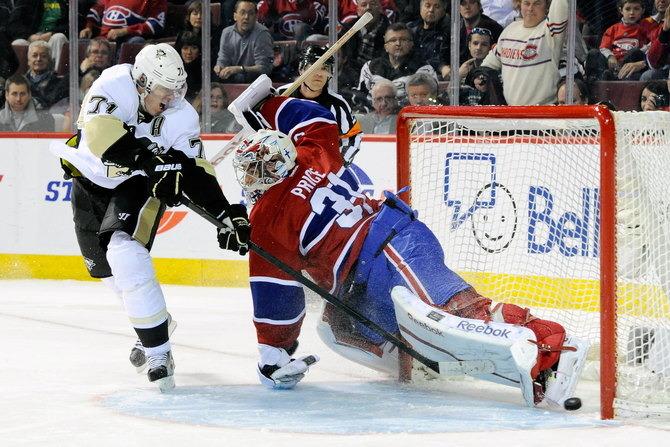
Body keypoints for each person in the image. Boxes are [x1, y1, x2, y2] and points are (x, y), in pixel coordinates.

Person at [225, 80, 589, 408]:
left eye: (256, 170)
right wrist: (267, 104)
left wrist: (275, 351)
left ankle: (556, 347)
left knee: (457, 312)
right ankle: (421, 360)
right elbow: (316, 118)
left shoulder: (267, 220)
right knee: (340, 329)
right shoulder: (314, 150)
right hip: (363, 279)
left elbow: (274, 291)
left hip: (389, 245)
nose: (251, 179)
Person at [49, 43, 250, 391]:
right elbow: (100, 136)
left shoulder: (181, 116)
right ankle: (157, 324)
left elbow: (196, 169)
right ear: (141, 83)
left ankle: (159, 352)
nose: (172, 99)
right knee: (107, 273)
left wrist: (224, 214)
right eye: (164, 92)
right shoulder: (113, 83)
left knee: (124, 252)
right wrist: (152, 161)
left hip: (136, 186)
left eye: (177, 91)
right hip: (89, 179)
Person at [278, 45, 363, 165]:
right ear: (301, 69)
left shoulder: (338, 105)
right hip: (282, 169)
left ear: (330, 73)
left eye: (324, 68)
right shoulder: (280, 96)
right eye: (313, 67)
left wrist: (338, 164)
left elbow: (353, 138)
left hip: (317, 173)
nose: (319, 73)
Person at [481, 0, 569, 105]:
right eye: (526, 3)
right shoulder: (509, 30)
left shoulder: (549, 31)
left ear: (547, 7)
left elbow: (560, 6)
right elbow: (489, 64)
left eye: (537, 3)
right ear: (519, 5)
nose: (530, 8)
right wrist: (480, 76)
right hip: (511, 113)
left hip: (543, 112)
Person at [358, 23, 438, 107]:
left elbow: (428, 100)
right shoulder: (370, 67)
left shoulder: (424, 70)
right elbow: (362, 96)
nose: (398, 44)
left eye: (403, 39)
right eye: (393, 40)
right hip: (375, 116)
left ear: (411, 44)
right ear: (386, 46)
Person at [585, 0, 654, 81]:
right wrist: (610, 56)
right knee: (593, 53)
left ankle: (618, 75)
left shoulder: (644, 29)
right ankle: (599, 78)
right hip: (613, 64)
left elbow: (652, 44)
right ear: (621, 10)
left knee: (635, 52)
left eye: (636, 9)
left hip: (630, 65)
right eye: (628, 9)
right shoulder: (613, 29)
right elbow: (604, 47)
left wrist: (642, 50)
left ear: (642, 11)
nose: (632, 12)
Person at [214, 0, 274, 83]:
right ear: (235, 16)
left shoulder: (262, 34)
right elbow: (223, 58)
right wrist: (219, 66)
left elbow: (264, 68)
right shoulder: (226, 32)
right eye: (242, 13)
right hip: (232, 80)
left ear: (256, 17)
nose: (246, 17)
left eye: (251, 13)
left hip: (256, 82)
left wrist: (240, 69)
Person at [338, 0, 390, 93]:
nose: (368, 8)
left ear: (380, 8)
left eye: (373, 4)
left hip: (379, 76)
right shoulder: (347, 29)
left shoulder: (390, 31)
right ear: (357, 10)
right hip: (350, 76)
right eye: (363, 5)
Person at [10, 0, 69, 70]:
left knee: (59, 37)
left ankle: (55, 76)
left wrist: (52, 33)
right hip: (32, 37)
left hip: (53, 35)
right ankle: (20, 79)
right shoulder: (25, 2)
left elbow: (71, 24)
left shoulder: (65, 2)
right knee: (18, 43)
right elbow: (14, 24)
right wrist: (29, 36)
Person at [79, 0, 167, 44]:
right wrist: (88, 27)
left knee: (136, 42)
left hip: (128, 39)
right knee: (81, 42)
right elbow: (96, 11)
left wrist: (125, 31)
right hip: (102, 39)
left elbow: (156, 24)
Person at [406, 0, 452, 80]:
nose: (431, 10)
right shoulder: (410, 29)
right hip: (410, 75)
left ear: (443, 10)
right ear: (420, 8)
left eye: (437, 7)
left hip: (439, 77)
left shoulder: (450, 31)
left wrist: (441, 67)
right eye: (427, 6)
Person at [24, 40, 68, 111]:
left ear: (49, 60)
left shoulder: (57, 82)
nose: (38, 59)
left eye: (43, 56)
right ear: (28, 61)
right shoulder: (21, 82)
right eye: (35, 56)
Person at [458, 0, 503, 66]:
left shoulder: (495, 28)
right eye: (463, 3)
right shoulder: (454, 28)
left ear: (479, 6)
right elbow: (443, 56)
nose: (467, 7)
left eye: (472, 2)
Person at [176, 30, 202, 102]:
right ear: (180, 50)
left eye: (194, 48)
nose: (189, 52)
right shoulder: (173, 68)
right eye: (185, 48)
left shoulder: (204, 69)